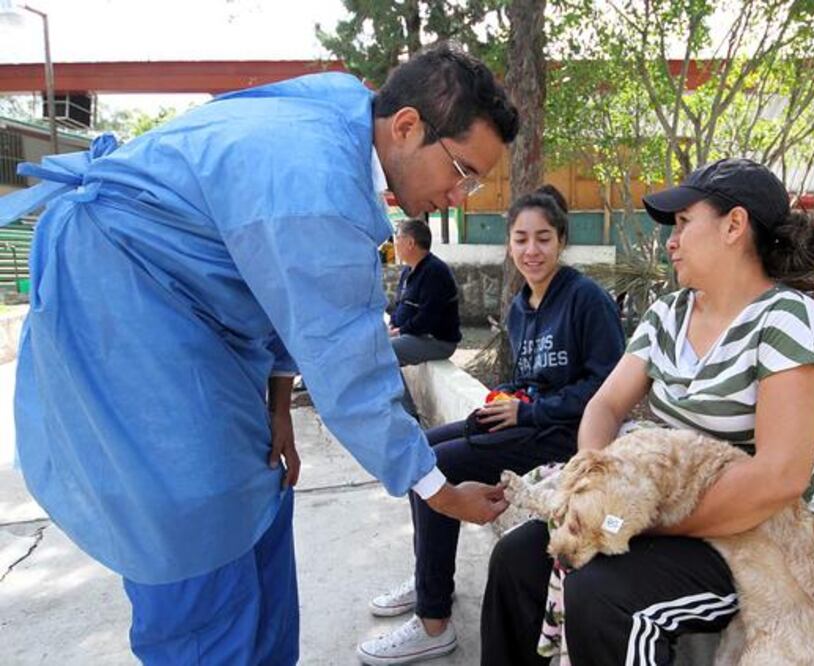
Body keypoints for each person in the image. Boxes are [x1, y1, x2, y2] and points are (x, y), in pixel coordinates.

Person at [0, 44, 518, 666]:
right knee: (194, 520)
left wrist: (278, 404)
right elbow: (350, 371)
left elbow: (276, 296)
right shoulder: (316, 183)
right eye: (463, 172)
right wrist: (439, 492)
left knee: (260, 487)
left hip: (202, 318)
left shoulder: (345, 120)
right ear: (407, 127)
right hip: (127, 309)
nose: (462, 197)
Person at [479, 158, 814, 665]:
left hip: (750, 535)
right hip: (655, 502)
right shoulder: (669, 314)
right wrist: (594, 485)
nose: (669, 241)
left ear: (734, 226)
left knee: (603, 596)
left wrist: (642, 521)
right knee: (516, 558)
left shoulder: (787, 319)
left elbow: (779, 477)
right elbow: (606, 404)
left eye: (682, 224)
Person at [356, 186, 626, 665]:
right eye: (521, 238)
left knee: (438, 462)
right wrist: (507, 401)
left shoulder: (587, 300)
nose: (531, 250)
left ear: (561, 240)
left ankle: (433, 621)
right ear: (509, 244)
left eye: (543, 238)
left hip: (567, 436)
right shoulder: (520, 306)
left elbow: (607, 389)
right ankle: (428, 579)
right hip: (526, 422)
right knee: (421, 449)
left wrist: (528, 412)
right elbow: (528, 380)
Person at [388, 217, 462, 419]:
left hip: (437, 340)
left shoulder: (435, 271)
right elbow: (399, 307)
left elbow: (427, 318)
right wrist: (393, 324)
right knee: (374, 345)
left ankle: (409, 416)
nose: (395, 244)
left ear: (410, 243)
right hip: (417, 335)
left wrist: (399, 332)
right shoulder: (408, 271)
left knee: (386, 352)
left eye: (398, 239)